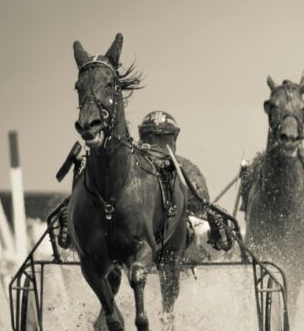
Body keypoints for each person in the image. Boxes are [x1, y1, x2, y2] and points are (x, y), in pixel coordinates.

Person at [55, 111, 230, 259]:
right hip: (149, 238)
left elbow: (201, 200)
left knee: (199, 225)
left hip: (159, 239)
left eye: (163, 139)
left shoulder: (182, 167)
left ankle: (217, 235)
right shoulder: (136, 169)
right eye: (152, 138)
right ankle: (73, 229)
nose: (158, 145)